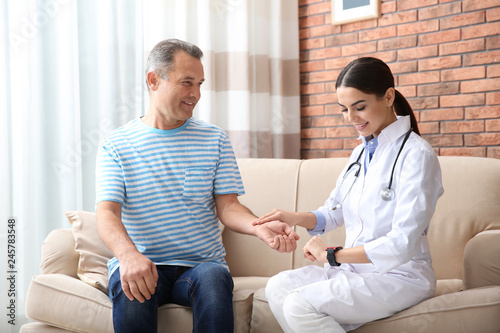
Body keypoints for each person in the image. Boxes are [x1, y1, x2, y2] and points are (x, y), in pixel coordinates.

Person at [95, 38, 299, 333]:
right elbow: (107, 214)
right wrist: (128, 256)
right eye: (187, 83)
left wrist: (258, 226)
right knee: (131, 294)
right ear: (154, 80)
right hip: (142, 262)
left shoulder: (214, 138)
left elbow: (228, 206)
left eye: (200, 83)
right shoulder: (117, 145)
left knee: (214, 281)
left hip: (201, 266)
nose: (196, 94)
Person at [253, 57, 444, 332]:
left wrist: (332, 255)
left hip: (401, 276)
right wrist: (292, 216)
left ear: (389, 96)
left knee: (299, 304)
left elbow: (401, 243)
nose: (351, 118)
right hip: (357, 271)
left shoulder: (417, 155)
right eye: (344, 109)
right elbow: (334, 211)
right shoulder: (360, 153)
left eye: (360, 107)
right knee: (279, 286)